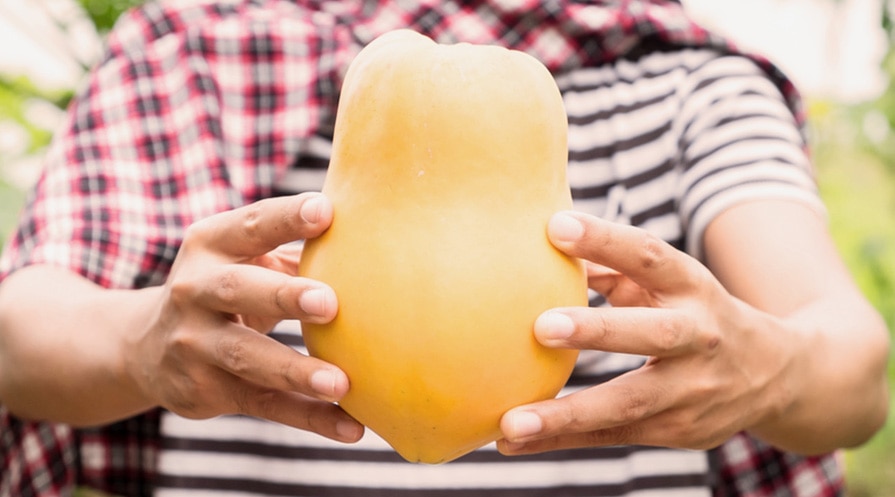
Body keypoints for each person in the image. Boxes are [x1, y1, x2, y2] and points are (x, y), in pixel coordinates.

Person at [0, 0, 889, 495]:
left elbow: (853, 371)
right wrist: (137, 340)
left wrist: (767, 365)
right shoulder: (188, 59)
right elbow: (20, 333)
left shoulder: (691, 86)